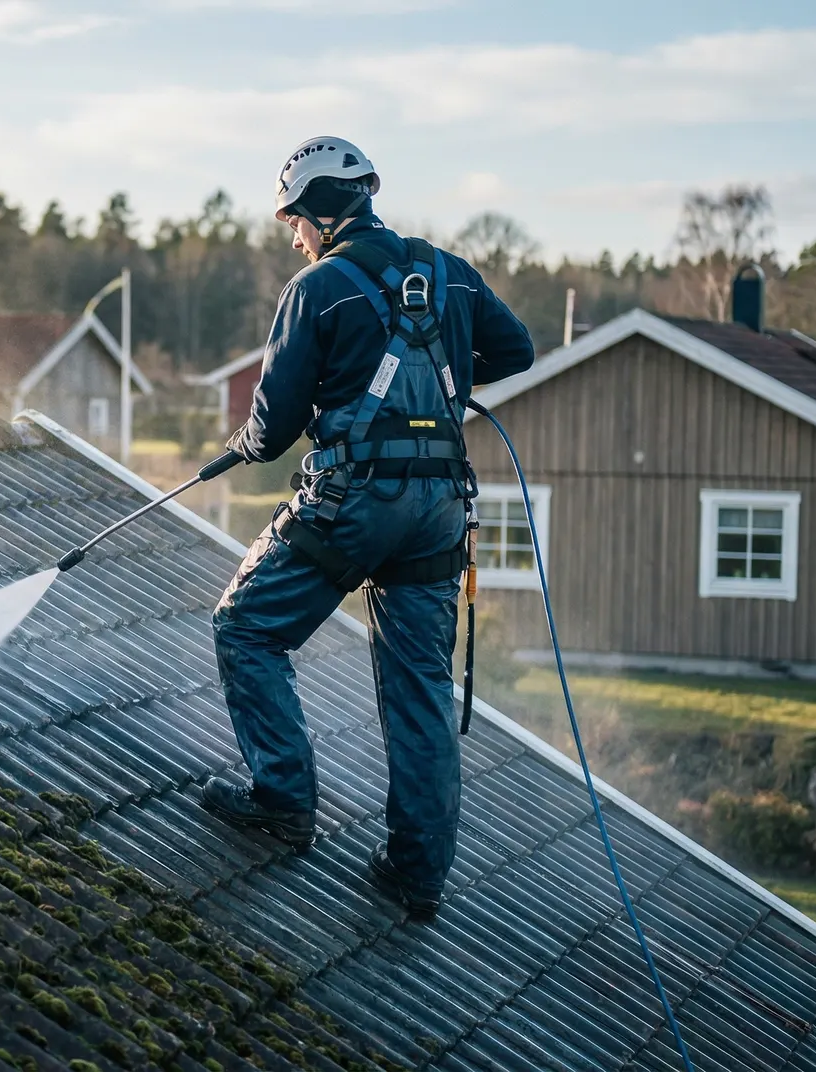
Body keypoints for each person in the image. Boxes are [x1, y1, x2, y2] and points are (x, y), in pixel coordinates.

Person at [200, 135, 535, 919]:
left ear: (316, 211)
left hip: (355, 503)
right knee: (420, 685)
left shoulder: (318, 289)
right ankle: (416, 876)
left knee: (245, 628)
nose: (292, 235)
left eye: (292, 220)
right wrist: (442, 367)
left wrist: (246, 447)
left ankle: (283, 801)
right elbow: (515, 350)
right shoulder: (450, 273)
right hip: (439, 510)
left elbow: (276, 426)